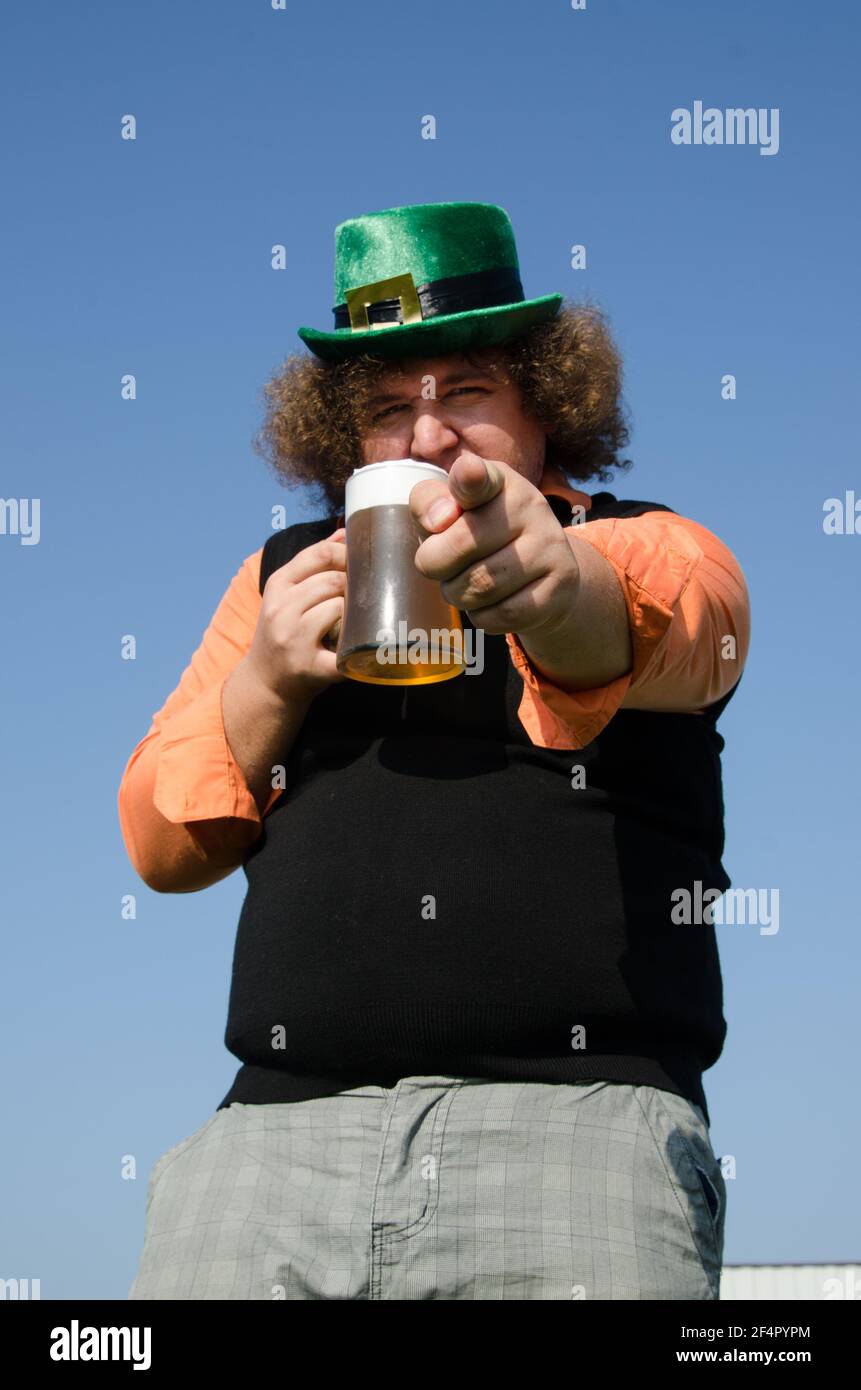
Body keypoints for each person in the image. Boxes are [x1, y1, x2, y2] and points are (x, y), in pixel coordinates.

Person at [119, 201, 750, 1300]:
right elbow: (158, 846)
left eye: (466, 392)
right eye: (385, 409)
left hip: (575, 1145)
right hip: (273, 1146)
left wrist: (554, 591)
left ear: (547, 406)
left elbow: (681, 624)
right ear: (342, 441)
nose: (426, 437)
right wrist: (266, 682)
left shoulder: (643, 540)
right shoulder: (275, 580)